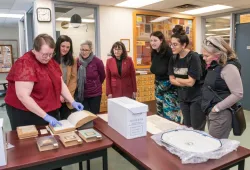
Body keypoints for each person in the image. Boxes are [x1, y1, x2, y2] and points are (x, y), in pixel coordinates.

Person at [5, 34, 84, 130]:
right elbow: (23, 96)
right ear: (35, 50)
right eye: (45, 54)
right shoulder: (25, 64)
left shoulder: (50, 62)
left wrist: (72, 101)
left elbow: (60, 83)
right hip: (25, 111)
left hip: (47, 107)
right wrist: (45, 116)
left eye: (51, 54)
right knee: (30, 140)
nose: (48, 57)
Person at [201, 36, 243, 139]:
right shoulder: (214, 65)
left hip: (221, 114)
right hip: (212, 111)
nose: (203, 58)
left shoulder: (229, 68)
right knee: (213, 144)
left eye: (207, 56)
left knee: (216, 147)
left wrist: (217, 108)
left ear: (218, 55)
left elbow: (238, 94)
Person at [168, 25, 206, 130]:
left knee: (196, 128)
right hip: (182, 98)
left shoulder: (193, 57)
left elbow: (191, 83)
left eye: (175, 44)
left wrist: (178, 80)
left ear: (184, 45)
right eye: (171, 44)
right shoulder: (173, 58)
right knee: (187, 127)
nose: (172, 47)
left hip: (196, 98)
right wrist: (182, 81)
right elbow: (171, 80)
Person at [150, 31, 181, 123]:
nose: (152, 43)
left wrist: (161, 87)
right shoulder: (154, 53)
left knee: (170, 117)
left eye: (155, 40)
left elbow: (175, 72)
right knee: (160, 116)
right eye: (151, 40)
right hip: (158, 85)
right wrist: (157, 88)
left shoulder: (169, 52)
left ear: (161, 40)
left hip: (170, 88)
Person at [77, 40, 105, 114]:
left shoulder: (97, 61)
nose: (84, 52)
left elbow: (102, 76)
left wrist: (95, 84)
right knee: (84, 116)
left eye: (86, 50)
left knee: (94, 115)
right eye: (82, 50)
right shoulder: (77, 61)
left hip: (95, 94)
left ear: (90, 50)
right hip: (82, 94)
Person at [53, 35, 77, 119]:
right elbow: (51, 80)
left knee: (66, 121)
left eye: (68, 47)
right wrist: (59, 94)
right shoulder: (51, 59)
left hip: (67, 98)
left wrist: (67, 95)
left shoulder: (72, 60)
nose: (65, 49)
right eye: (63, 46)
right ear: (58, 46)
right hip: (54, 96)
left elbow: (73, 79)